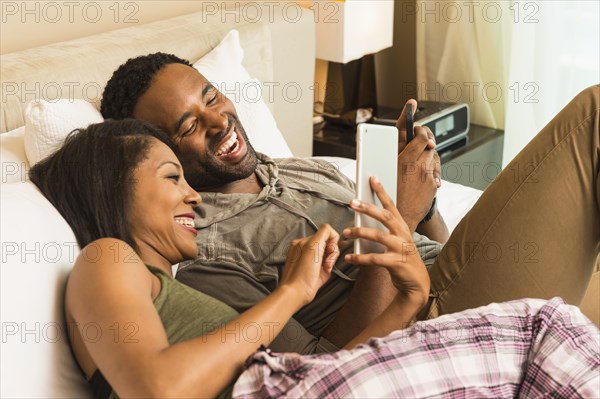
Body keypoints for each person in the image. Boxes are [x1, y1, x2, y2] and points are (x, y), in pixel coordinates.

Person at [29, 119, 600, 398]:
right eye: (172, 176)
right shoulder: (106, 259)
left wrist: (409, 297)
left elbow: (320, 376)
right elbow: (157, 389)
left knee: (543, 346)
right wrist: (291, 293)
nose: (192, 195)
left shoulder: (166, 286)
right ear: (113, 190)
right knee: (543, 328)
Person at [100, 53, 600, 353]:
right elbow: (324, 366)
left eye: (212, 98)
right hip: (432, 326)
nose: (218, 122)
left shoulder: (302, 166)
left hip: (456, 277)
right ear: (160, 152)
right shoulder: (203, 253)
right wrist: (398, 215)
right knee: (594, 116)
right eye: (188, 125)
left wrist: (423, 206)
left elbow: (440, 253)